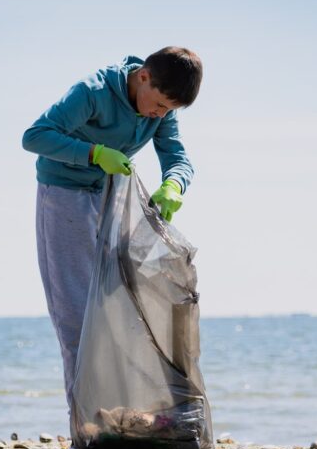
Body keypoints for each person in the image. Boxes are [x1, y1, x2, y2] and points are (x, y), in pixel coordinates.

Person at [21, 46, 203, 410]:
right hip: (64, 194)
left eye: (168, 110)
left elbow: (177, 157)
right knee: (76, 312)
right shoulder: (93, 92)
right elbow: (35, 136)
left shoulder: (161, 109)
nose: (160, 114)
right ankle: (88, 419)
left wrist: (174, 185)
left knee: (122, 306)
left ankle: (128, 413)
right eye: (159, 105)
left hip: (112, 192)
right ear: (143, 77)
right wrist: (94, 154)